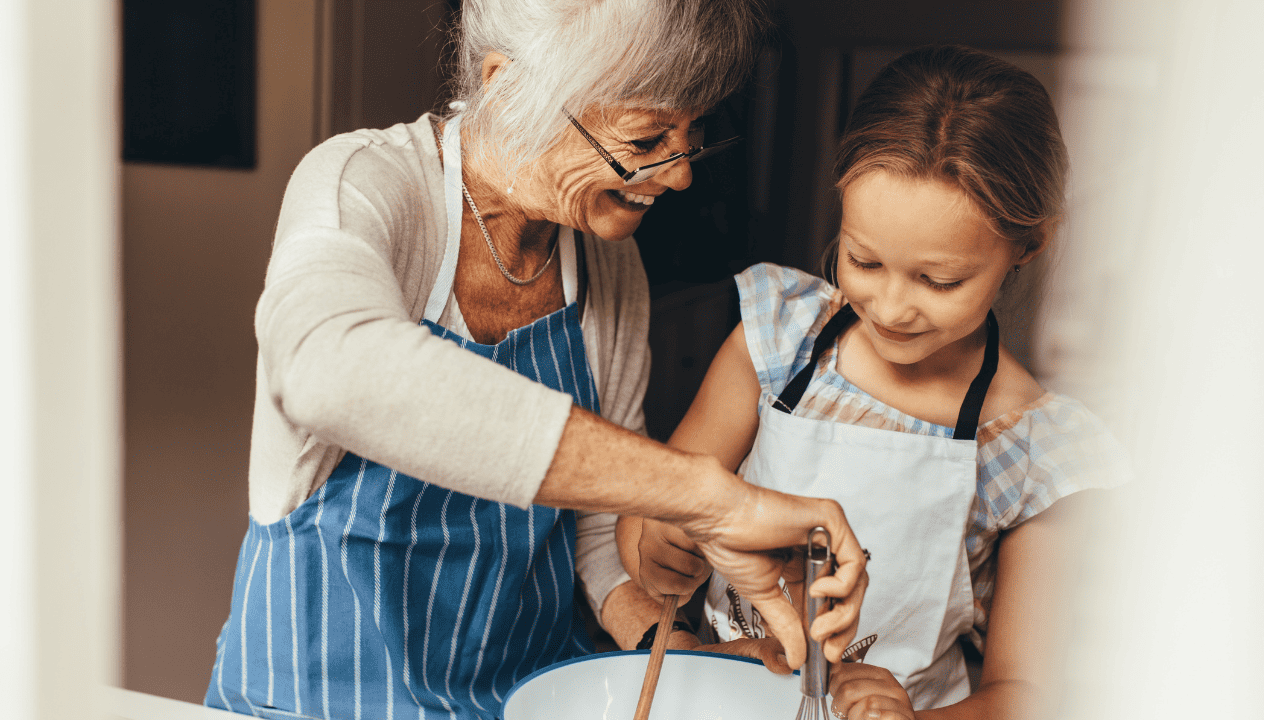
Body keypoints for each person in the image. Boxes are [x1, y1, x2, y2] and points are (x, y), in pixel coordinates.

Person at [204, 2, 869, 719]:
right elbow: (327, 367)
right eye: (647, 136)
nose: (678, 177)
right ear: (505, 85)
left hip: (518, 700)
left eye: (693, 132)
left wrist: (679, 654)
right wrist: (709, 495)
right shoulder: (364, 184)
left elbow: (593, 535)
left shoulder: (611, 270)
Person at [619, 45, 1129, 719]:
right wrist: (661, 545)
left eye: (938, 281)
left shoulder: (1032, 446)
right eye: (863, 260)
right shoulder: (778, 337)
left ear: (1025, 247)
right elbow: (645, 526)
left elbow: (1023, 697)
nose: (890, 307)